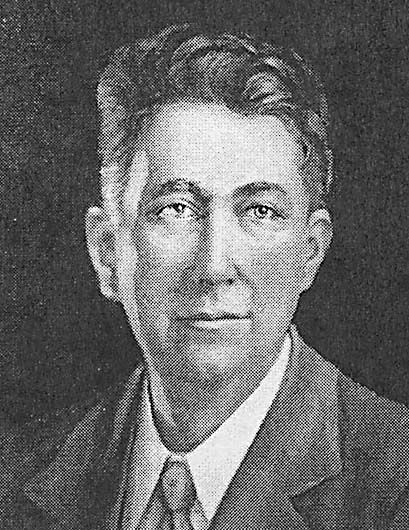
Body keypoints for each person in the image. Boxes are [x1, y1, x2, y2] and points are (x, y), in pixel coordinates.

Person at [1, 24, 409, 530]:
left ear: (310, 252)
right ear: (107, 252)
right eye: (176, 209)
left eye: (259, 211)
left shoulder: (395, 482)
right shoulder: (15, 473)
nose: (215, 266)